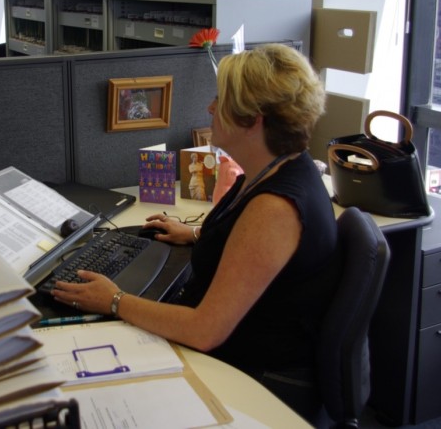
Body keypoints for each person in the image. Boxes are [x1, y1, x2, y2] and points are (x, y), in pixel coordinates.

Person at [51, 44, 339, 424]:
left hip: (260, 381)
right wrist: (199, 235)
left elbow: (205, 331)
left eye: (221, 100)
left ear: (252, 119)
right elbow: (254, 246)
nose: (209, 108)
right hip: (243, 352)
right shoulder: (275, 169)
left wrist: (115, 301)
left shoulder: (275, 209)